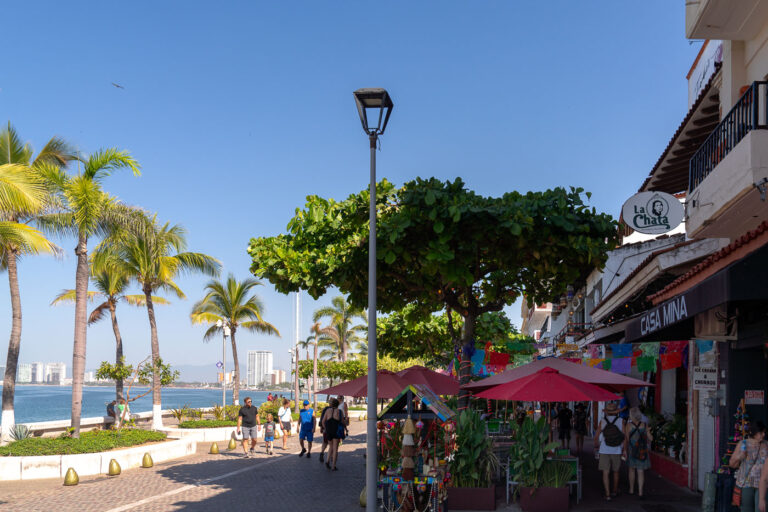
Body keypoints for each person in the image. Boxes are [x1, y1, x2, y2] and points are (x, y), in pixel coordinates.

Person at [732, 422, 767, 512]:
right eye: (761, 433)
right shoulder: (743, 444)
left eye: (764, 432)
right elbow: (732, 464)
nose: (763, 435)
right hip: (746, 484)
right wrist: (739, 457)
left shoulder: (766, 445)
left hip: (762, 484)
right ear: (754, 433)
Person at [594, 402, 625, 501]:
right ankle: (615, 491)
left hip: (604, 449)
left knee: (605, 472)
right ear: (616, 412)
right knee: (616, 471)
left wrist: (596, 446)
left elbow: (596, 436)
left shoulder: (602, 421)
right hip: (617, 450)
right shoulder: (621, 421)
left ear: (607, 412)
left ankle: (607, 494)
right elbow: (625, 437)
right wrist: (624, 449)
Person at [625, 407, 653, 499]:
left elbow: (627, 439)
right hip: (642, 451)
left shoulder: (628, 425)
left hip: (632, 450)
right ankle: (640, 491)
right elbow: (651, 439)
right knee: (640, 471)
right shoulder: (644, 425)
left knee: (632, 470)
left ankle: (631, 489)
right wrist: (648, 431)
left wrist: (625, 450)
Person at [321, 398, 344, 471]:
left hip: (329, 431)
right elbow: (343, 422)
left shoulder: (327, 411)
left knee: (330, 446)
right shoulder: (339, 412)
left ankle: (327, 461)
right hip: (336, 431)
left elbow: (323, 421)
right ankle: (333, 466)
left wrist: (326, 428)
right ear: (338, 404)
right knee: (335, 449)